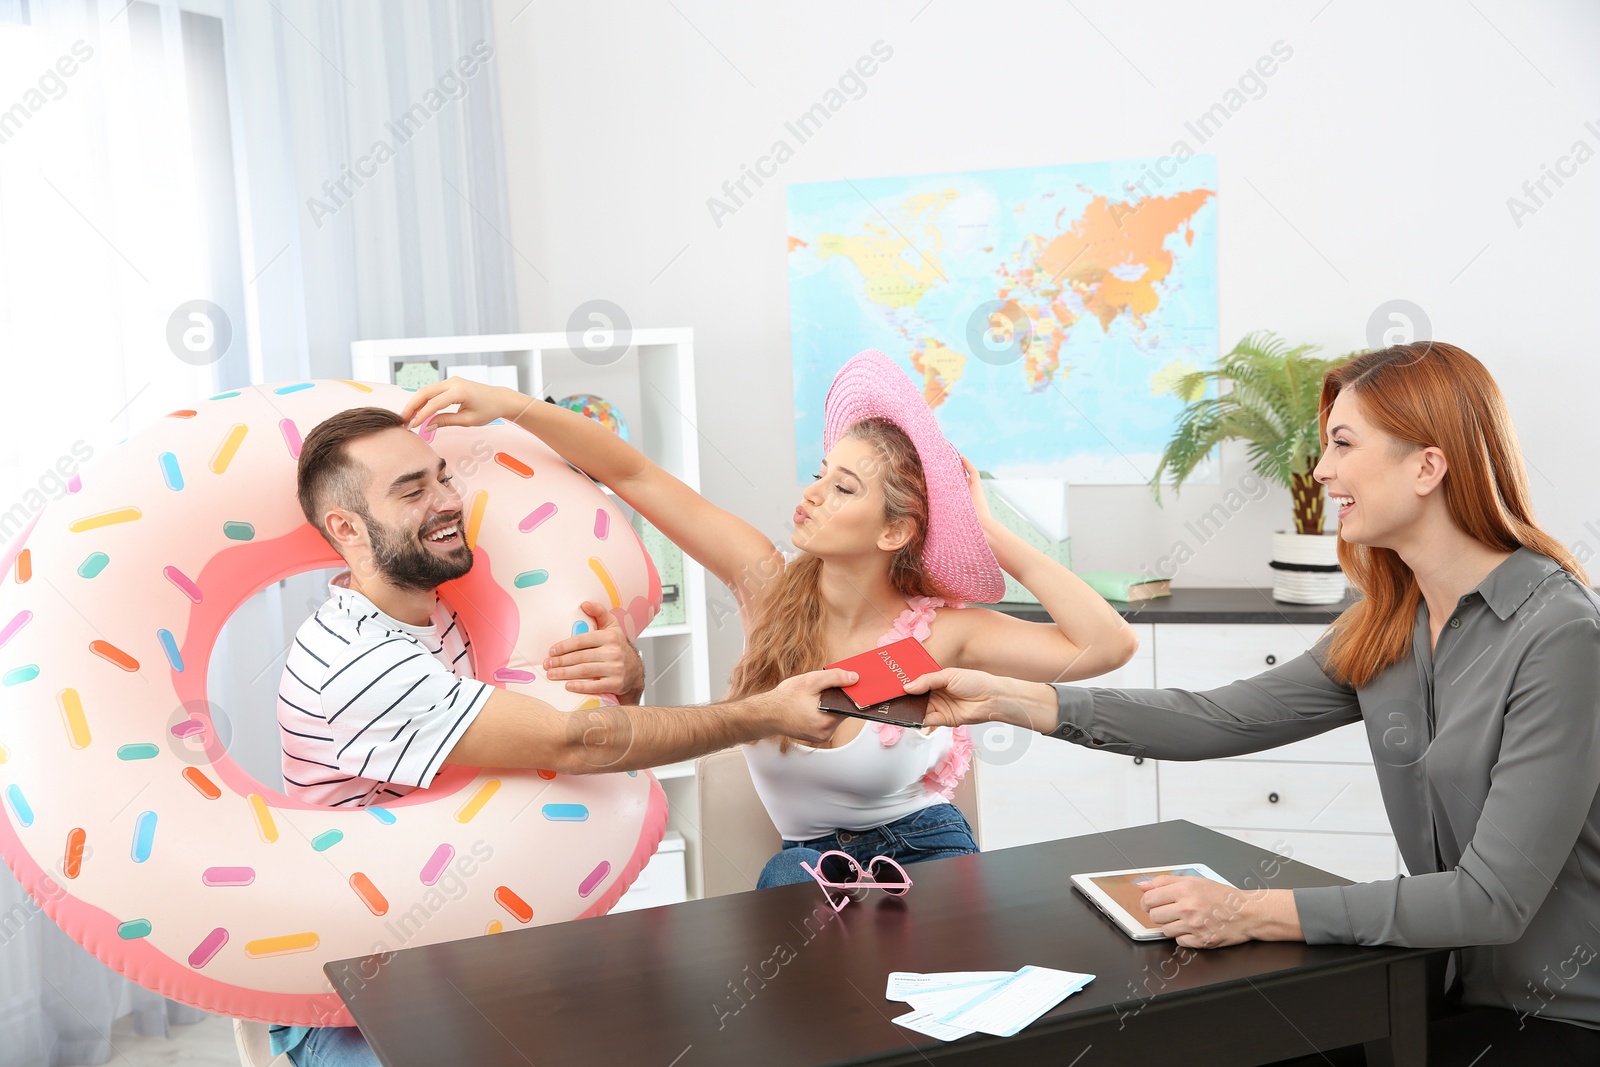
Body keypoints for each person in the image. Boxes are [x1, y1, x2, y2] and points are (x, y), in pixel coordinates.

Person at [903, 341, 1600, 1065]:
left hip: (1564, 1014)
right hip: (1442, 981)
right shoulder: (1388, 622)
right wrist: (1013, 699)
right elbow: (1218, 716)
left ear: (1427, 466)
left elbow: (1490, 898)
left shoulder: (1558, 633)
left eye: (1342, 442)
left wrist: (1251, 910)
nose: (1323, 469)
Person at [400, 351, 1138, 892]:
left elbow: (1105, 644)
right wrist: (507, 402)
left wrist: (987, 530)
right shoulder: (765, 583)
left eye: (842, 486)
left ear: (892, 533)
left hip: (927, 849)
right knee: (804, 971)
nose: (812, 494)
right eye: (821, 472)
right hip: (806, 863)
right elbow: (636, 476)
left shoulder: (940, 632)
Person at [269, 406, 858, 1067]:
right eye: (412, 490)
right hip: (362, 995)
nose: (446, 501)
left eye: (442, 477)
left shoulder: (448, 616)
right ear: (345, 527)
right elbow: (574, 743)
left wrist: (626, 682)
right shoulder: (355, 659)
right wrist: (762, 712)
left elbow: (557, 740)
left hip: (472, 953)